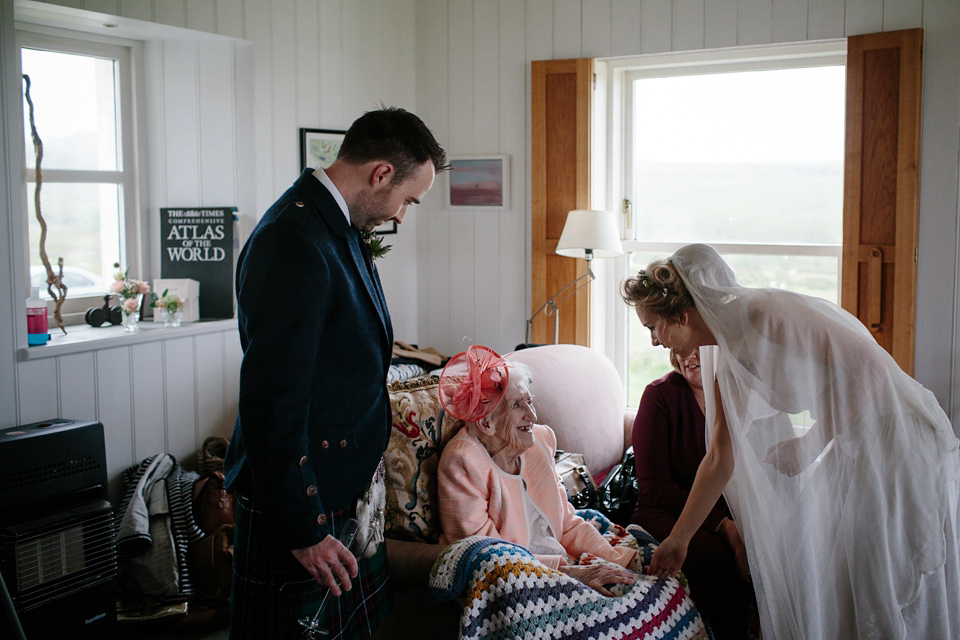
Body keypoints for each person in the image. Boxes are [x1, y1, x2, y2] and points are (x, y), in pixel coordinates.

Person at [622, 243, 960, 639]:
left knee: (875, 572)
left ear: (680, 313)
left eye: (652, 327)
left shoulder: (766, 315)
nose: (654, 342)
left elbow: (870, 366)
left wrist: (810, 442)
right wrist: (679, 539)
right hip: (851, 442)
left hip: (894, 435)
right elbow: (719, 457)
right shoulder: (726, 364)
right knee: (825, 568)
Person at [223, 106, 446, 639]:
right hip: (303, 502)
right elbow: (272, 400)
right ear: (381, 174)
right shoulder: (293, 239)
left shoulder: (335, 226)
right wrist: (303, 531)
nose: (400, 215)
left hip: (339, 488)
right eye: (407, 201)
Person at [436, 345, 638, 595]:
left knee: (652, 585)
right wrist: (570, 575)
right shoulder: (462, 462)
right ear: (486, 422)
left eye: (529, 402)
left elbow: (565, 522)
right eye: (517, 406)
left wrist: (620, 561)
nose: (532, 415)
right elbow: (487, 558)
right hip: (512, 584)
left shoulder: (540, 441)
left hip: (561, 567)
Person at [632, 347, 755, 639]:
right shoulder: (659, 395)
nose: (688, 356)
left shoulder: (736, 394)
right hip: (665, 510)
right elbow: (656, 486)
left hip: (726, 511)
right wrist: (724, 526)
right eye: (680, 349)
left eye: (696, 348)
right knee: (715, 557)